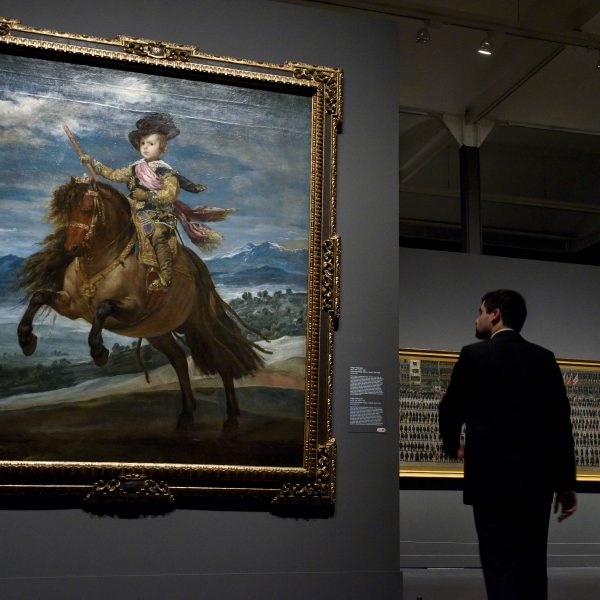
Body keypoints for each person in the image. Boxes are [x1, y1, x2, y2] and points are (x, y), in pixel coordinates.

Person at [438, 289, 577, 600]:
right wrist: (565, 483)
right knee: (532, 566)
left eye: (480, 311)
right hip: (535, 484)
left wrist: (452, 444)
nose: (476, 318)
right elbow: (559, 424)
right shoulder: (543, 358)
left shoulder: (474, 355)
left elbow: (450, 409)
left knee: (498, 565)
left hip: (489, 483)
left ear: (496, 314)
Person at [82, 112, 228, 292]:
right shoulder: (135, 168)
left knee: (157, 235)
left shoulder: (166, 172)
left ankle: (165, 278)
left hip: (159, 214)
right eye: (143, 143)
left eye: (151, 144)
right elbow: (113, 175)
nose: (145, 147)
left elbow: (170, 195)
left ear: (162, 148)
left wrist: (147, 196)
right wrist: (93, 163)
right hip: (133, 210)